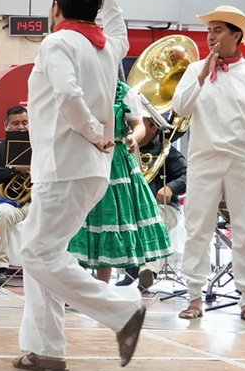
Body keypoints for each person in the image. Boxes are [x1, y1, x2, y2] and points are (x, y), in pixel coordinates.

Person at [14, 0, 146, 371]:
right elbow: (118, 26)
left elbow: (68, 95)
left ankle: (122, 309)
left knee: (35, 253)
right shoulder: (108, 50)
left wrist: (93, 133)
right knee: (46, 254)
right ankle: (46, 349)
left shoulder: (58, 42)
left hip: (65, 164)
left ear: (55, 9)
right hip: (88, 169)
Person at [173, 6, 245, 322]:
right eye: (210, 30)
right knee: (197, 228)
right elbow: (180, 107)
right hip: (204, 158)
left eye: (219, 30)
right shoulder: (196, 70)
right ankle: (194, 296)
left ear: (237, 36)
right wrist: (202, 76)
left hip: (242, 158)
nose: (211, 36)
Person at [66, 80, 172, 282]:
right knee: (78, 221)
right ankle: (74, 285)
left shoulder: (125, 92)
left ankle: (101, 289)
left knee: (109, 219)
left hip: (115, 159)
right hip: (82, 155)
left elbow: (138, 125)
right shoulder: (78, 87)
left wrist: (134, 138)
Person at [118, 105, 188, 291]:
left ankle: (147, 270)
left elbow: (188, 175)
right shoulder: (125, 149)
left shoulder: (168, 151)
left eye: (139, 123)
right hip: (132, 209)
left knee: (153, 217)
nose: (133, 128)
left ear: (153, 127)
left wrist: (171, 187)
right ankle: (132, 271)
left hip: (164, 208)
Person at [0, 105, 31, 287]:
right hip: (11, 202)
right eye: (16, 123)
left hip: (39, 201)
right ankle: (0, 269)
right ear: (6, 126)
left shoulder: (42, 145)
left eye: (25, 122)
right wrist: (15, 169)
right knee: (2, 213)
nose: (21, 127)